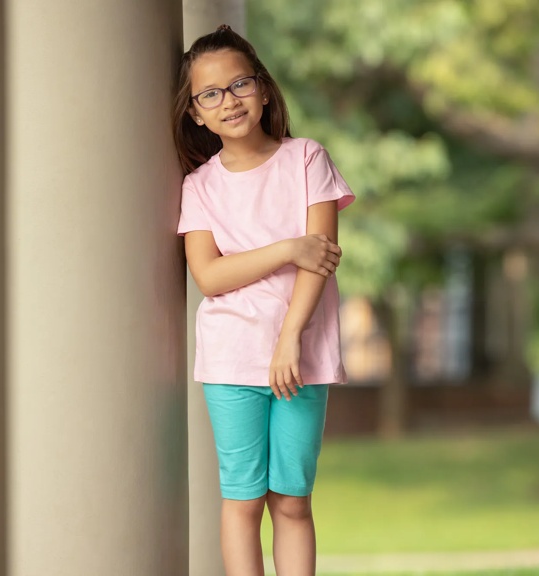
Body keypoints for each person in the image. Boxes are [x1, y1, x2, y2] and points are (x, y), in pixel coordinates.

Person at [173, 24, 354, 576]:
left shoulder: (307, 160)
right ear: (196, 113)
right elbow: (209, 277)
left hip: (301, 356)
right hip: (230, 359)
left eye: (239, 84)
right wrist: (287, 248)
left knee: (292, 501)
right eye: (210, 94)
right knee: (244, 500)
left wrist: (289, 338)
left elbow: (321, 257)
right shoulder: (199, 187)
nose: (229, 101)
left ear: (264, 89)